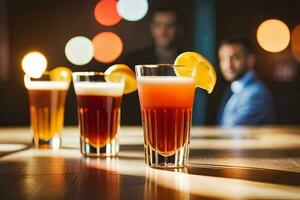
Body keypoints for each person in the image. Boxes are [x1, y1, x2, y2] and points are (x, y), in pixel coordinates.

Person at [121, 6, 184, 125]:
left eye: (169, 26)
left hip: (178, 129)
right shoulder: (134, 61)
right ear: (151, 28)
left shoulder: (189, 63)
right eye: (158, 25)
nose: (163, 32)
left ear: (179, 29)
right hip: (143, 130)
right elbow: (126, 105)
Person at [217, 38, 274, 126]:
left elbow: (232, 130)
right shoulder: (234, 88)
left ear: (250, 60)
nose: (228, 65)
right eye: (223, 59)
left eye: (235, 58)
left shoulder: (256, 94)